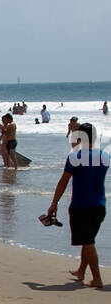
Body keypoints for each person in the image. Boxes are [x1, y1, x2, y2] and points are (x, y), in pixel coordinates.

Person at [47, 123, 108, 288]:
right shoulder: (104, 156)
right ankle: (81, 270)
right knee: (87, 238)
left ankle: (97, 279)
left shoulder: (75, 156)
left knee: (88, 241)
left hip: (82, 206)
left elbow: (64, 181)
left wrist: (54, 203)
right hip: (100, 205)